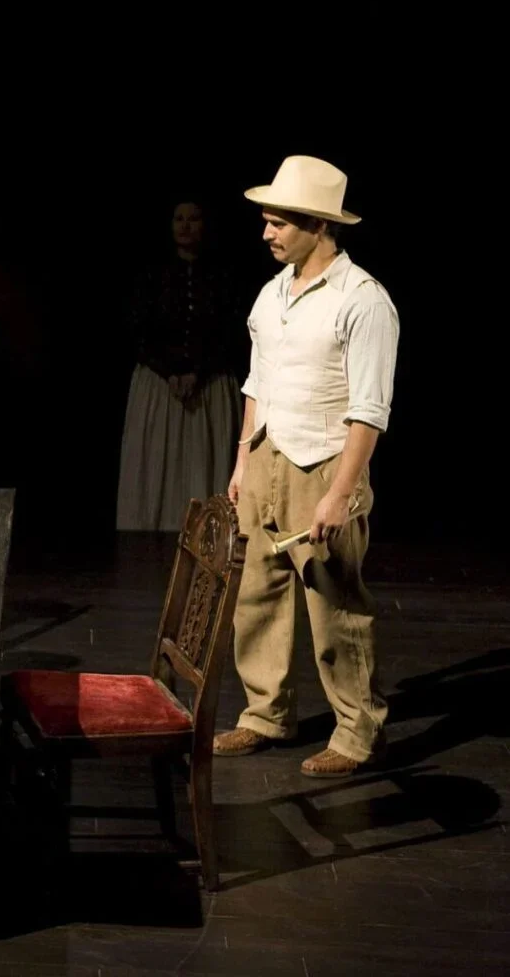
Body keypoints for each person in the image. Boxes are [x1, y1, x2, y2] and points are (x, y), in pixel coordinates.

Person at [214, 156, 399, 777]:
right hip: (268, 455)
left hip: (323, 464)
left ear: (319, 225)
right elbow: (257, 384)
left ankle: (358, 731)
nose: (266, 232)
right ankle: (265, 713)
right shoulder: (272, 293)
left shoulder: (363, 300)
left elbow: (369, 410)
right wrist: (243, 460)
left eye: (278, 222)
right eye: (266, 221)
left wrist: (339, 494)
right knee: (256, 596)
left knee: (334, 606)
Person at [117, 199, 245, 531]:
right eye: (179, 219)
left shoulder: (222, 275)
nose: (186, 226)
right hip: (160, 386)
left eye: (193, 218)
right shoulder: (152, 274)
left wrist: (197, 371)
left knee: (204, 464)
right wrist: (169, 370)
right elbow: (138, 330)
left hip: (210, 384)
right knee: (157, 462)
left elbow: (231, 331)